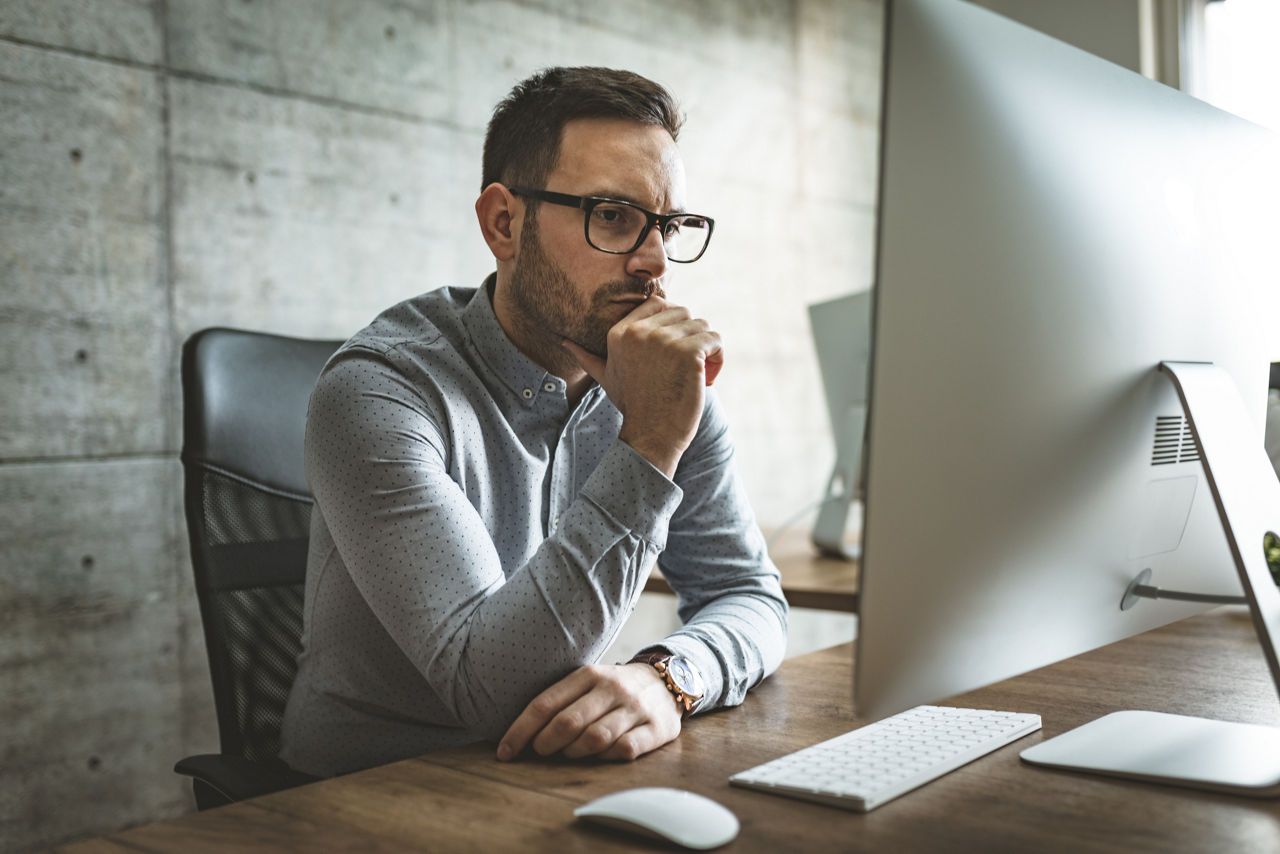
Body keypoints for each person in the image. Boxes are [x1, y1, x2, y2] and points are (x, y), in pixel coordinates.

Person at [280, 66, 788, 778]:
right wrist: (648, 445)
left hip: (551, 784)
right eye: (612, 215)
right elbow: (486, 688)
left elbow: (748, 596)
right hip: (366, 801)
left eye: (669, 226)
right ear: (504, 223)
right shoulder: (377, 391)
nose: (655, 262)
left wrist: (670, 678)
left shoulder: (660, 381)